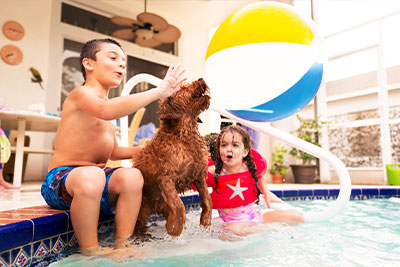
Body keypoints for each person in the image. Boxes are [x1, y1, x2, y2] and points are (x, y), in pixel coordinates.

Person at [41, 38, 186, 259]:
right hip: (62, 181)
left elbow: (115, 153)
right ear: (89, 64)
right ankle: (90, 251)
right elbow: (104, 109)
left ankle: (122, 243)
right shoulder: (82, 95)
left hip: (96, 181)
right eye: (113, 57)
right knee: (93, 176)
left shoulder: (108, 110)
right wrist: (159, 91)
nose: (122, 64)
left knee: (133, 176)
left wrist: (153, 151)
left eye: (124, 61)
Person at [206, 125, 304, 237]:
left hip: (254, 216)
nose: (229, 149)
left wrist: (267, 193)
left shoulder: (248, 166)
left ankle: (259, 229)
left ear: (245, 151)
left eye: (235, 145)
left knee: (296, 216)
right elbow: (194, 180)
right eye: (224, 145)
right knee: (232, 232)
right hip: (231, 223)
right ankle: (261, 230)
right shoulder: (215, 172)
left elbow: (260, 176)